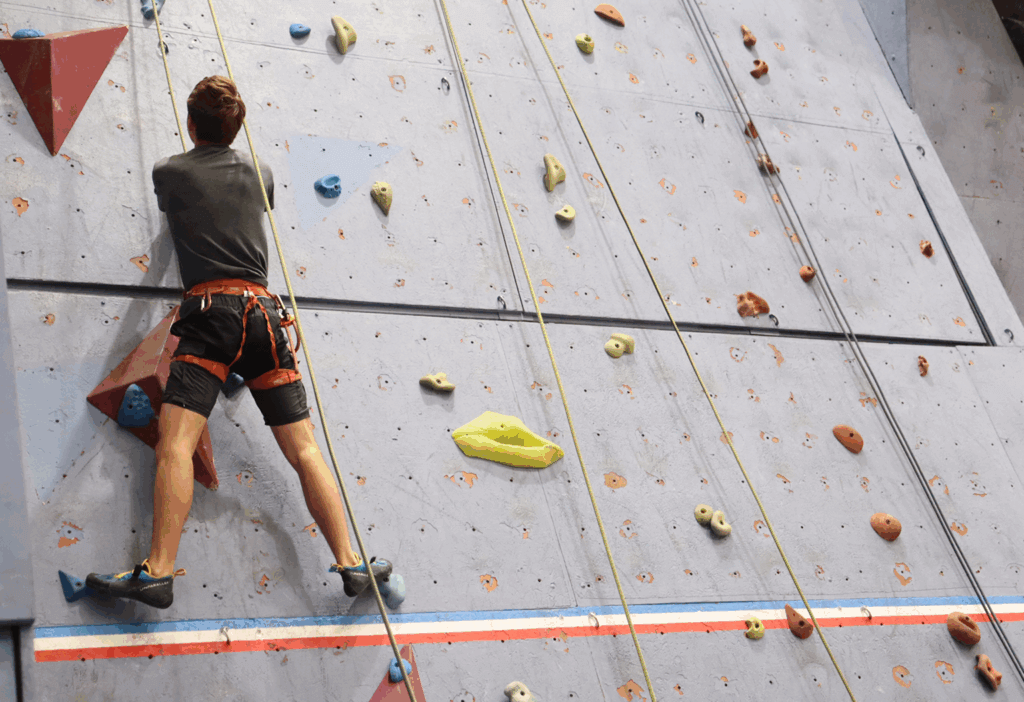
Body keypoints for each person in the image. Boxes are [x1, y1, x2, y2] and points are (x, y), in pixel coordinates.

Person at [86, 76, 391, 609]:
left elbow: (174, 210)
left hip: (212, 317)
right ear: (237, 125)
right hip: (265, 317)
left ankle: (159, 572)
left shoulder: (170, 171)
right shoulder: (260, 171)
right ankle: (350, 563)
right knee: (304, 449)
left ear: (190, 124)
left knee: (176, 444)